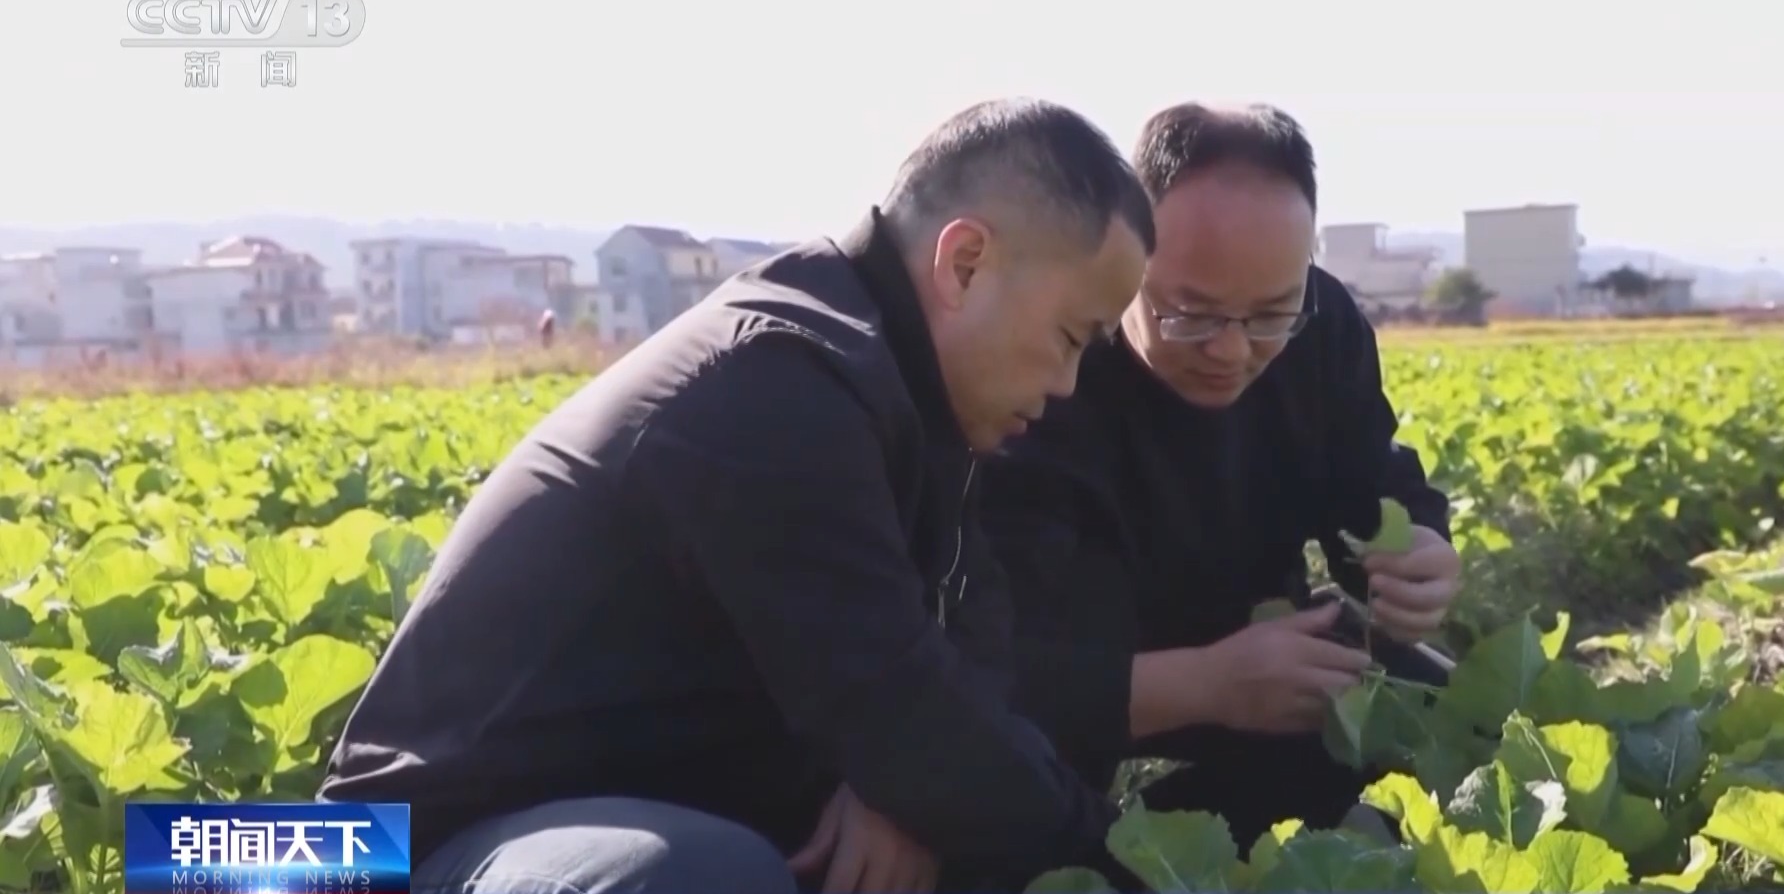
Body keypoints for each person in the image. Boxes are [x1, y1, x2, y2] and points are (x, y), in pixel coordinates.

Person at [317, 98, 1158, 894]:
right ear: (965, 262)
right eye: (1070, 336)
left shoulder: (908, 399)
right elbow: (895, 704)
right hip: (388, 851)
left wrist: (901, 783)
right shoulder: (778, 381)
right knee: (697, 876)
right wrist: (1137, 873)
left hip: (593, 817)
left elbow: (965, 672)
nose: (1067, 383)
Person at [977, 102, 1464, 868]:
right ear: (1125, 256)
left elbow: (1372, 482)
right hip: (1083, 686)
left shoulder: (1323, 323)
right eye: (1191, 315)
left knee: (1464, 737)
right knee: (1020, 839)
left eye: (1271, 315)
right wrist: (1207, 683)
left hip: (1268, 652)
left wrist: (1420, 551)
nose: (1232, 350)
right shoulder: (1045, 375)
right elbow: (999, 673)